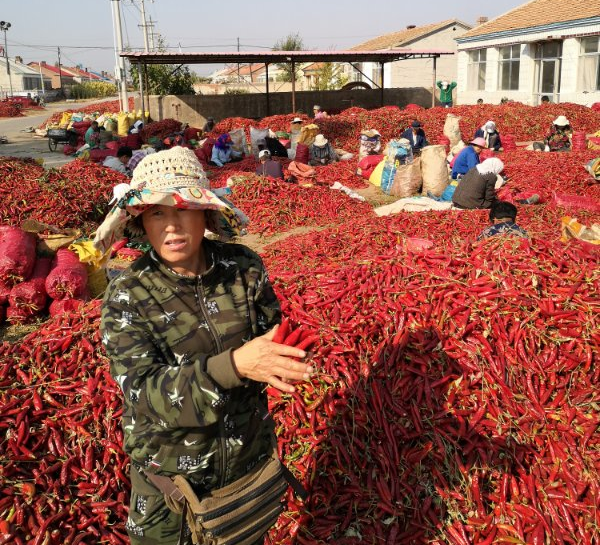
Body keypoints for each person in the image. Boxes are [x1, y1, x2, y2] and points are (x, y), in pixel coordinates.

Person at [94, 147, 312, 545]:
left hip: (246, 471)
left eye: (184, 210)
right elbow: (143, 393)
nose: (172, 226)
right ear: (142, 221)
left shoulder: (243, 267)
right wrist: (237, 366)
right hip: (173, 488)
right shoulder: (130, 293)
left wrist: (287, 356)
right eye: (158, 213)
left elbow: (270, 334)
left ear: (205, 214)